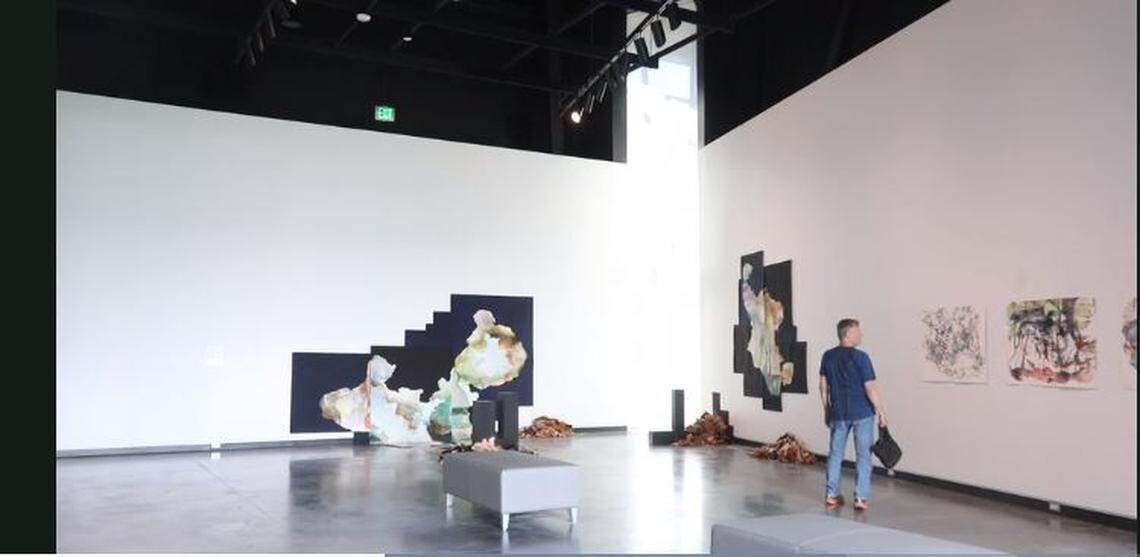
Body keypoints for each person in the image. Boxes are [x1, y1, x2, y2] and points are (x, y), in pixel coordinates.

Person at [819, 318, 887, 511]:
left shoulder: (828, 356)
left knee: (835, 454)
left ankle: (832, 495)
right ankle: (860, 498)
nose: (860, 335)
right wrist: (881, 411)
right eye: (857, 332)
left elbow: (823, 386)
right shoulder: (861, 358)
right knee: (863, 455)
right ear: (847, 334)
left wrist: (826, 409)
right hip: (863, 413)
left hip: (838, 413)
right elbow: (870, 387)